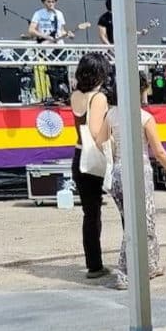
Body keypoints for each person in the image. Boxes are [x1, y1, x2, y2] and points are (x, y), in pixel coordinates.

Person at [102, 71, 166, 290]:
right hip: (139, 171)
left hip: (117, 171)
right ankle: (125, 273)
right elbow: (159, 151)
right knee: (142, 223)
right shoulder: (144, 117)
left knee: (133, 221)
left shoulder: (111, 114)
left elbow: (101, 140)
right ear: (141, 90)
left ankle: (150, 264)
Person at [70, 52, 112, 280]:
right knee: (125, 207)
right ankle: (132, 259)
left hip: (78, 156)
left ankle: (93, 264)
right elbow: (96, 133)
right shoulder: (98, 99)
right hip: (95, 157)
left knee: (90, 213)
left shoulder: (75, 95)